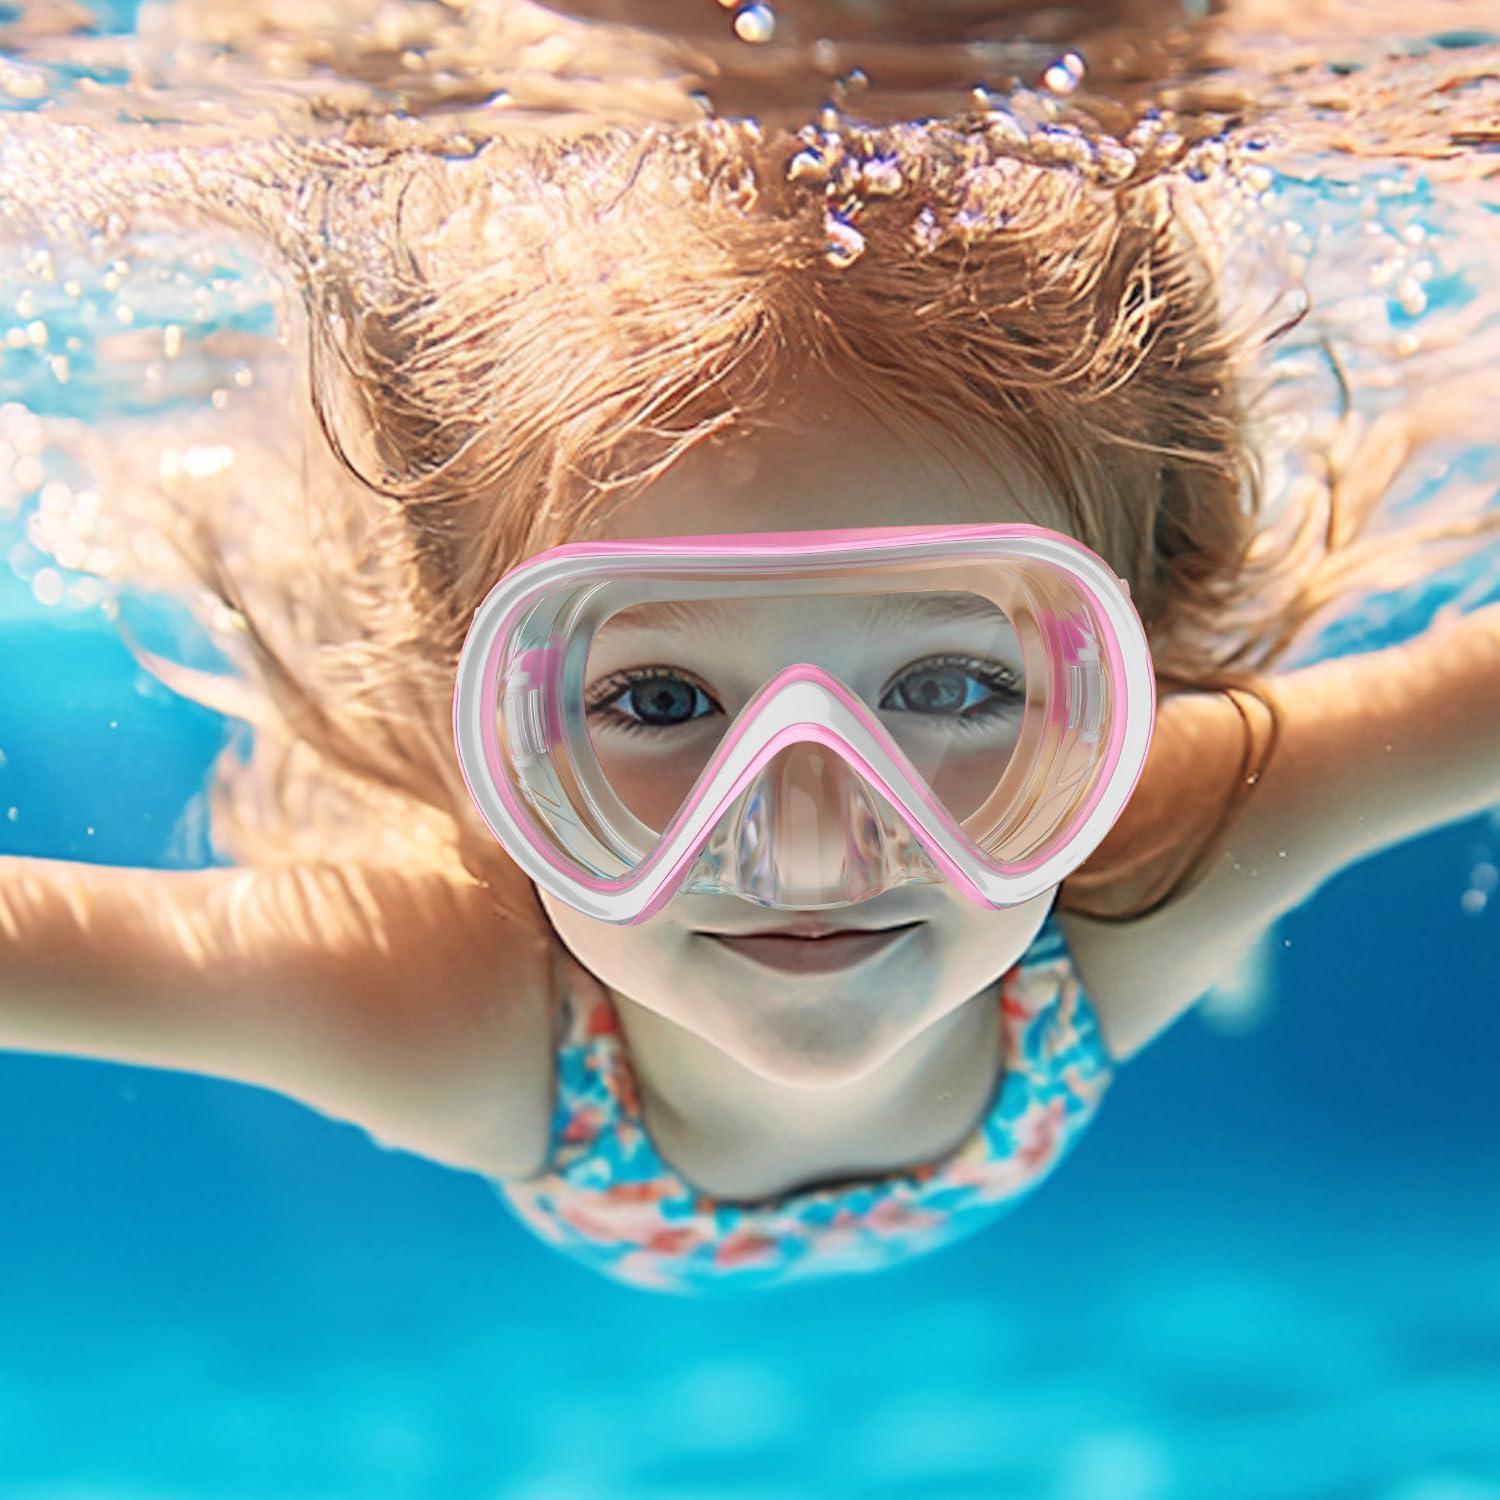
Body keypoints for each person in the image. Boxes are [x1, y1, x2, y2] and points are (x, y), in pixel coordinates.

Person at [2, 110, 1497, 1295]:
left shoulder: (1137, 858)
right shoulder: (458, 1017)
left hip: (1142, 902)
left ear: (1129, 667)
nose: (807, 847)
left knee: (1215, 870)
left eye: (953, 685)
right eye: (657, 699)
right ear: (475, 707)